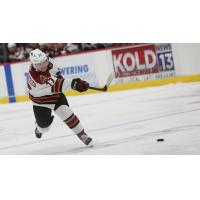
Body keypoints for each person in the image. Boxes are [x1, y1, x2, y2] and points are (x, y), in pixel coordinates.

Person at [27, 49, 92, 145]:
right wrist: (75, 84)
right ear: (34, 65)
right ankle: (39, 128)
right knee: (44, 128)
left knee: (66, 112)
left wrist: (76, 84)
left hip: (55, 96)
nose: (43, 65)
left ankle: (82, 134)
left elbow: (58, 77)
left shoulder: (48, 61)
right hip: (41, 102)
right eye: (39, 64)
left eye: (44, 61)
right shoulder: (36, 77)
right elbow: (57, 84)